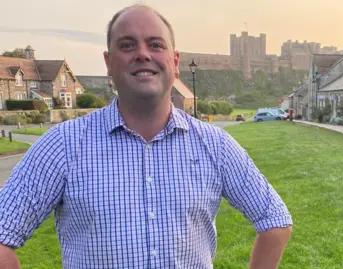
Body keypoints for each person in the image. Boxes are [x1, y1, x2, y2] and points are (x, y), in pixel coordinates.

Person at [0, 4, 293, 269]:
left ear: (175, 61)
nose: (143, 54)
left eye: (155, 44)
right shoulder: (63, 145)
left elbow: (275, 220)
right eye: (127, 45)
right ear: (109, 62)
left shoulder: (214, 145)